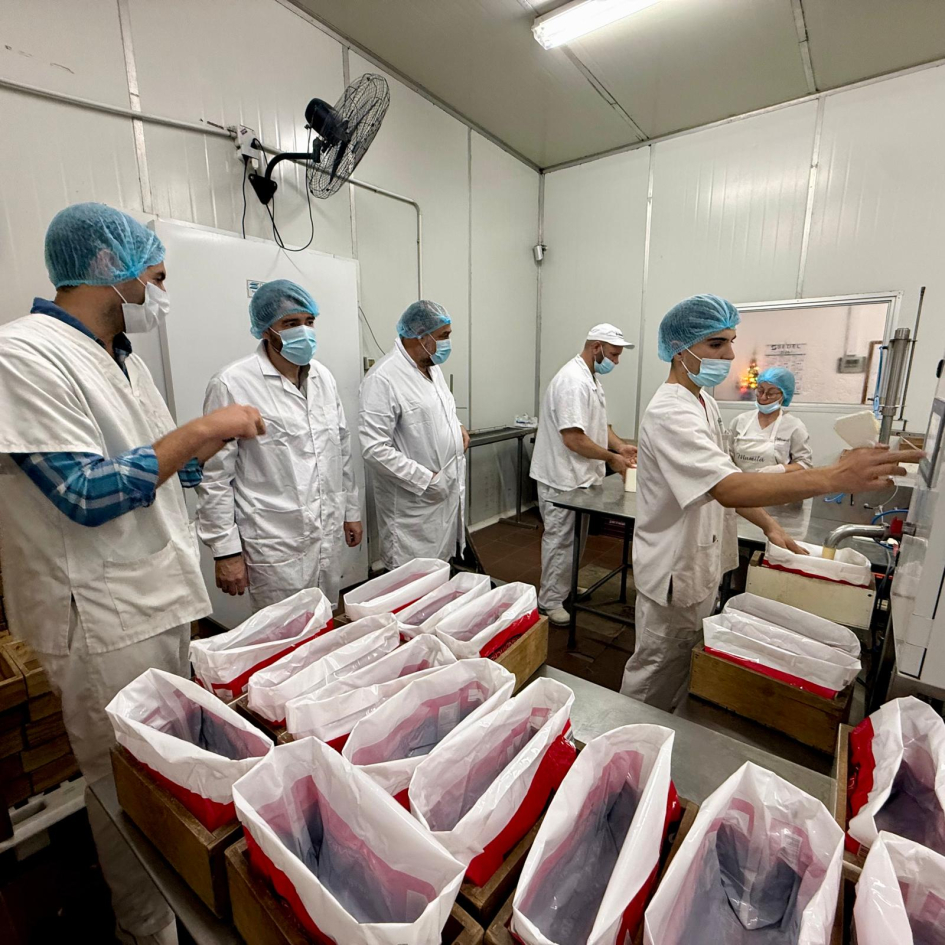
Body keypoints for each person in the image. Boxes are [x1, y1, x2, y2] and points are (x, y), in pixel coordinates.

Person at [0, 203, 265, 944]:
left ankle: (179, 893)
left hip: (151, 597)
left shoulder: (124, 357)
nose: (160, 289)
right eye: (155, 273)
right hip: (98, 614)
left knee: (160, 768)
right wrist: (202, 430)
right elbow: (85, 492)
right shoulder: (22, 354)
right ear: (111, 268)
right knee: (121, 782)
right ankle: (143, 931)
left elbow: (149, 469)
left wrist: (201, 458)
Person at [620, 294, 917, 711]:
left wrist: (770, 526)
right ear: (679, 349)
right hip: (675, 566)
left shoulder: (701, 402)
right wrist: (834, 476)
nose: (730, 353)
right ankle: (624, 739)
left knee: (679, 662)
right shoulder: (670, 411)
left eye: (731, 341)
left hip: (699, 560)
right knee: (654, 667)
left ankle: (662, 730)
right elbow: (727, 486)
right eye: (716, 344)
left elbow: (722, 474)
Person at [196, 279, 362, 611]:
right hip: (273, 542)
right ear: (266, 330)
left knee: (323, 618)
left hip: (325, 532)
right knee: (280, 635)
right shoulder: (232, 383)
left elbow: (341, 450)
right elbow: (213, 476)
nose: (304, 331)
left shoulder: (323, 378)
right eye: (290, 323)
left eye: (309, 322)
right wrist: (225, 551)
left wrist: (351, 511)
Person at [530, 324, 637, 625]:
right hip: (560, 478)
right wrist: (612, 459)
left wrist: (620, 446)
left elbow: (598, 425)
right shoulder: (572, 382)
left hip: (580, 477)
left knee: (575, 539)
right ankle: (549, 601)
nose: (615, 361)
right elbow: (574, 439)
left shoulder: (591, 378)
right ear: (596, 348)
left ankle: (563, 588)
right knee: (560, 540)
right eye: (613, 354)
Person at [359, 300, 468, 569]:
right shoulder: (383, 378)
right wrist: (426, 480)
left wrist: (457, 427)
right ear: (420, 336)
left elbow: (438, 409)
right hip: (413, 505)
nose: (448, 343)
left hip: (442, 496)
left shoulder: (432, 368)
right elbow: (374, 449)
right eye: (444, 336)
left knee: (437, 571)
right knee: (410, 580)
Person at [729, 367, 813, 538]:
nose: (763, 397)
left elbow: (805, 465)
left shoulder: (794, 426)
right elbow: (726, 455)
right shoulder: (741, 421)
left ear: (784, 394)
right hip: (740, 497)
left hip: (776, 501)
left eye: (771, 393)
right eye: (760, 390)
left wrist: (779, 469)